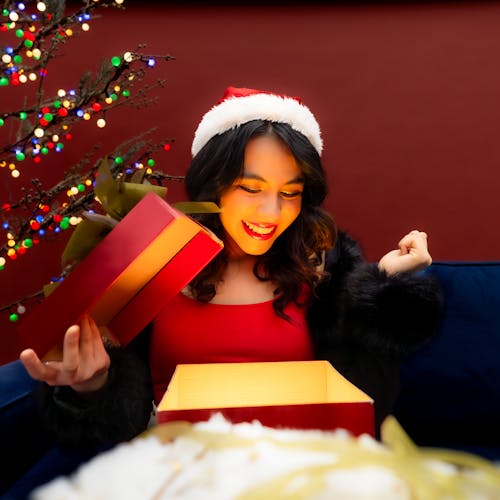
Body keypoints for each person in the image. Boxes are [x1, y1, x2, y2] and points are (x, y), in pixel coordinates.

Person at [2, 86, 442, 497]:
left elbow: (366, 402)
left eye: (290, 193)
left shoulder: (324, 268)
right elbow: (115, 419)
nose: (272, 212)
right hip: (177, 472)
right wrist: (94, 384)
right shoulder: (153, 262)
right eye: (251, 189)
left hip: (294, 472)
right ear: (214, 182)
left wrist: (383, 286)